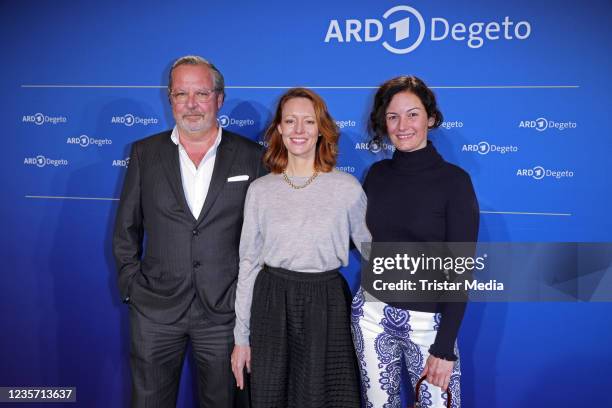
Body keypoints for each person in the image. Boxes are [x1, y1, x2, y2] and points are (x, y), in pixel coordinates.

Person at [113, 55, 265, 407]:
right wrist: (133, 288)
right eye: (182, 94)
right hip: (155, 311)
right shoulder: (144, 153)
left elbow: (262, 237)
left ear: (219, 98)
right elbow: (126, 231)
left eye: (201, 93)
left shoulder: (251, 156)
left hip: (224, 314)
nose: (192, 105)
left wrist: (246, 303)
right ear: (170, 99)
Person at [230, 88, 370, 407]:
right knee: (271, 396)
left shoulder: (346, 189)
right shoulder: (260, 191)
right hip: (271, 303)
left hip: (327, 304)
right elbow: (248, 264)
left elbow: (375, 255)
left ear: (321, 128)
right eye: (290, 121)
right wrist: (241, 338)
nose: (299, 130)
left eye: (308, 121)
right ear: (279, 128)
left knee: (327, 397)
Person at [351, 76, 479, 407]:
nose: (402, 125)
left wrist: (444, 347)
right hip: (371, 317)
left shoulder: (455, 183)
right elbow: (361, 241)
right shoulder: (377, 176)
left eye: (412, 114)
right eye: (392, 117)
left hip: (430, 327)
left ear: (431, 118)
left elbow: (460, 271)